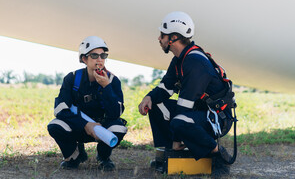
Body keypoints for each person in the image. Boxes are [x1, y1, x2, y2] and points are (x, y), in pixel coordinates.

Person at [138, 11, 234, 174]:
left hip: (217, 118)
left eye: (162, 35)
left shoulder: (195, 62)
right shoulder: (179, 60)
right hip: (197, 113)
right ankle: (172, 153)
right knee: (155, 105)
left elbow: (185, 106)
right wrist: (149, 97)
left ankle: (218, 155)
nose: (159, 39)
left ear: (173, 38)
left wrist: (177, 137)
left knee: (179, 122)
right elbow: (166, 87)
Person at [48, 36, 127, 171]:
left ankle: (103, 156)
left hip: (102, 128)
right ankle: (74, 156)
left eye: (103, 55)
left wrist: (106, 87)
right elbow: (60, 109)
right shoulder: (72, 78)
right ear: (84, 59)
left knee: (119, 128)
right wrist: (85, 124)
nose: (100, 59)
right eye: (94, 55)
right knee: (55, 125)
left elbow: (116, 113)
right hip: (78, 126)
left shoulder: (113, 81)